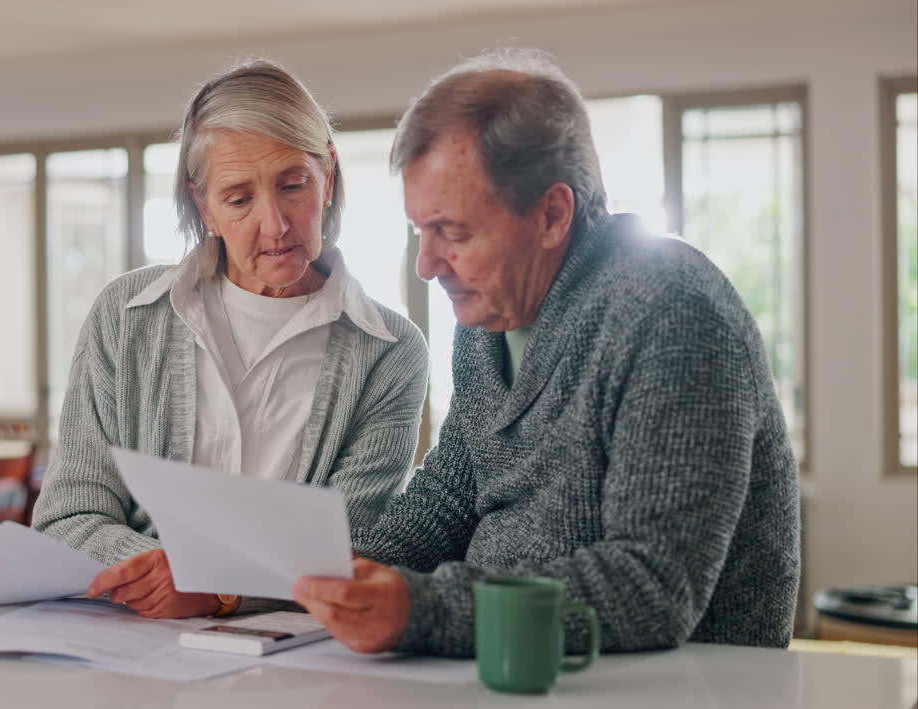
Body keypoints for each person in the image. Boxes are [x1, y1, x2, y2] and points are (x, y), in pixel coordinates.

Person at [291, 48, 801, 656]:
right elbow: (452, 494)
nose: (428, 266)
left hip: (670, 690)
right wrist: (329, 579)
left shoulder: (670, 310)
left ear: (553, 214)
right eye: (420, 233)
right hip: (519, 672)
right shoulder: (490, 314)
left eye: (453, 233)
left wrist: (425, 610)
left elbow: (651, 589)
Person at [33, 60, 428, 620]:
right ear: (204, 207)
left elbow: (351, 547)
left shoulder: (389, 351)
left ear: (329, 176)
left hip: (295, 661)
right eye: (240, 199)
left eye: (293, 186)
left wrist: (218, 590)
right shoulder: (125, 318)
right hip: (127, 646)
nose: (275, 225)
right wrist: (168, 575)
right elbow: (67, 519)